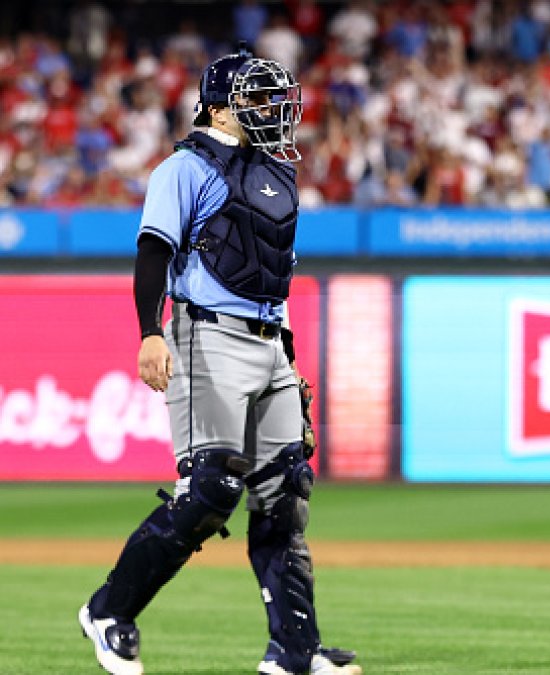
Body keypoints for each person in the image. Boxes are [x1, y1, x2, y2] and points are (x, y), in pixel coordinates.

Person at [78, 47, 361, 675]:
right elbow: (154, 253)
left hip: (269, 343)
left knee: (285, 493)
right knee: (211, 487)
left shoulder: (274, 170)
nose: (271, 110)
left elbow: (270, 279)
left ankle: (293, 651)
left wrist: (284, 356)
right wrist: (149, 333)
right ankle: (109, 609)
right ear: (217, 106)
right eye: (256, 99)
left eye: (273, 98)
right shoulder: (183, 168)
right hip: (207, 335)